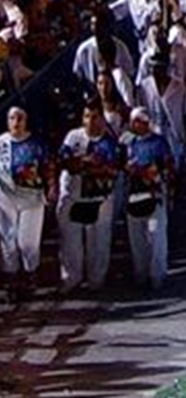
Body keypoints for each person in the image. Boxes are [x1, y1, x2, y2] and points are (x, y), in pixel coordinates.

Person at [56, 96, 122, 292]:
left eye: (95, 116)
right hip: (73, 196)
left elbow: (110, 168)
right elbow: (66, 162)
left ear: (101, 118)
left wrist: (88, 165)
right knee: (70, 241)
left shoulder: (109, 142)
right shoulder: (72, 137)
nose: (90, 121)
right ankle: (71, 278)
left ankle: (96, 279)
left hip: (99, 199)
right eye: (87, 116)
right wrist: (87, 163)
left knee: (99, 240)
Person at [0, 101, 50, 303]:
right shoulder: (1, 142)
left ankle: (31, 275)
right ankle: (11, 279)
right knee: (7, 241)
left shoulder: (36, 144)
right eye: (12, 118)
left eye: (20, 118)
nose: (16, 122)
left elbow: (48, 169)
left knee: (27, 242)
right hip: (5, 197)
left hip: (31, 198)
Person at [121, 104, 175, 290]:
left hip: (154, 194)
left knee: (156, 236)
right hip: (133, 195)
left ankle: (157, 274)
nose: (136, 125)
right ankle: (140, 274)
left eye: (139, 121)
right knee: (137, 238)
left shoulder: (159, 143)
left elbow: (168, 165)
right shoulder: (127, 143)